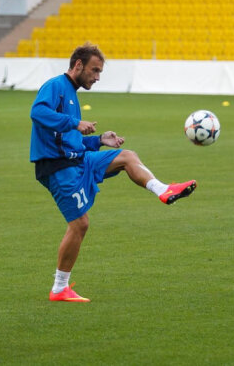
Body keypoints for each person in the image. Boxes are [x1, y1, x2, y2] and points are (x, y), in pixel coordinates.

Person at [30, 43, 197, 303]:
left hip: (77, 159)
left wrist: (99, 140)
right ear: (77, 65)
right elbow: (37, 112)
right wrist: (75, 122)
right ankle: (59, 288)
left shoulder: (72, 95)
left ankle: (163, 190)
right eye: (94, 70)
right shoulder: (55, 86)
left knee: (127, 156)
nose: (97, 77)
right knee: (80, 224)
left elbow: (70, 140)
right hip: (57, 166)